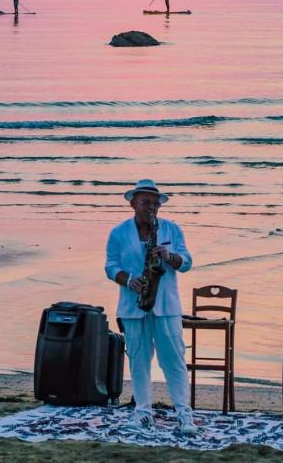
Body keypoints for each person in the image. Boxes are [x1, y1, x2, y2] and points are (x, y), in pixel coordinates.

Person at [105, 178, 197, 436]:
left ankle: (184, 415)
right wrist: (128, 280)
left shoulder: (171, 229)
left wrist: (169, 257)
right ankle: (143, 413)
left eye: (155, 204)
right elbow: (110, 266)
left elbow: (187, 262)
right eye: (146, 203)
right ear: (133, 203)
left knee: (174, 360)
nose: (152, 208)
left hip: (166, 305)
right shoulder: (118, 233)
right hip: (134, 304)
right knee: (139, 361)